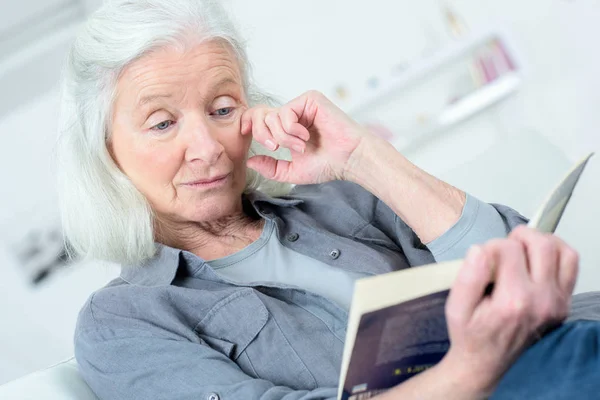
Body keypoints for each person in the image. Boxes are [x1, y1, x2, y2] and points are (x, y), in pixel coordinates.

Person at [57, 1, 600, 399]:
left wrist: (367, 156)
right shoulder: (123, 320)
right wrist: (472, 368)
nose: (206, 147)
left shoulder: (342, 199)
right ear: (106, 152)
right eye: (162, 122)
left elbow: (523, 271)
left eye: (223, 109)